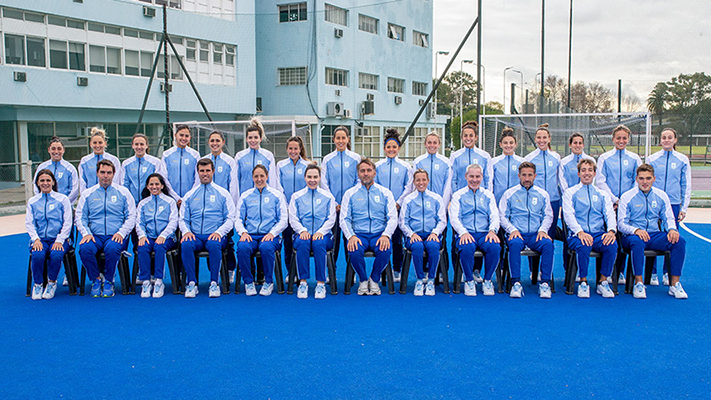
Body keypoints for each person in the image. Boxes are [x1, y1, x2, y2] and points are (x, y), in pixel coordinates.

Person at [618, 164, 687, 299]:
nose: (645, 182)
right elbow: (621, 224)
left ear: (654, 179)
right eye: (641, 178)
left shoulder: (661, 196)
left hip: (654, 235)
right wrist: (636, 230)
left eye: (648, 178)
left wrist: (672, 229)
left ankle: (675, 284)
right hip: (632, 236)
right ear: (636, 179)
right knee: (637, 243)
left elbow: (668, 217)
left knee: (679, 241)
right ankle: (638, 283)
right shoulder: (627, 197)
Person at [76, 160, 136, 298]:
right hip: (94, 235)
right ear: (97, 173)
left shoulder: (123, 192)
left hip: (116, 235)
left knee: (112, 249)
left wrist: (121, 233)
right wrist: (86, 233)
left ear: (114, 174)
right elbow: (80, 216)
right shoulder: (87, 194)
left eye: (109, 173)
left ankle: (109, 281)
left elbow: (131, 216)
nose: (105, 176)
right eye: (102, 172)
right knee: (85, 249)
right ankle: (96, 279)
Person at [179, 159, 236, 298]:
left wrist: (219, 232)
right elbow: (182, 219)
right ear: (198, 172)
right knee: (185, 244)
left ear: (213, 171)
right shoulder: (190, 195)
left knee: (214, 244)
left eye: (208, 171)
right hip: (196, 236)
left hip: (215, 235)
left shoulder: (223, 194)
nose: (205, 174)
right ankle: (192, 283)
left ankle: (214, 283)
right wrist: (186, 232)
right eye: (202, 171)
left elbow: (230, 218)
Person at [340, 159, 398, 296]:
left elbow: (392, 218)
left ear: (374, 173)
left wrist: (386, 235)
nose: (366, 174)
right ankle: (363, 279)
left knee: (385, 249)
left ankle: (374, 279)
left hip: (379, 233)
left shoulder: (385, 193)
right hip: (359, 234)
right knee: (353, 250)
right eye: (362, 171)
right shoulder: (350, 194)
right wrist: (351, 236)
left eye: (368, 170)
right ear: (358, 174)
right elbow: (344, 218)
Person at [561, 159, 617, 298]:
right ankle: (583, 282)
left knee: (611, 244)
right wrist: (580, 232)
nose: (587, 173)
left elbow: (609, 214)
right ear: (579, 174)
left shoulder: (603, 194)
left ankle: (603, 282)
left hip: (598, 233)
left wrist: (611, 231)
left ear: (594, 173)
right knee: (584, 244)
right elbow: (568, 215)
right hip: (576, 235)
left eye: (590, 170)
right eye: (584, 170)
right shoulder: (570, 193)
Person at [499, 162, 554, 299]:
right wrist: (512, 230)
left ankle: (545, 283)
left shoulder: (543, 194)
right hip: (518, 233)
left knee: (548, 245)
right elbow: (502, 216)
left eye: (530, 175)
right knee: (514, 244)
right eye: (524, 175)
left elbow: (548, 215)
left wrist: (543, 230)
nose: (527, 178)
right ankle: (516, 283)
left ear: (535, 176)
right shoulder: (509, 194)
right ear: (519, 176)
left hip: (536, 234)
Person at [595, 124, 642, 284]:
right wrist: (615, 199)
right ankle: (606, 273)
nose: (621, 141)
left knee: (625, 238)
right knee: (609, 237)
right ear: (613, 139)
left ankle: (621, 272)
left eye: (624, 138)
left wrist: (626, 201)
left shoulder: (635, 158)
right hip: (611, 205)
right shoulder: (604, 158)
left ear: (628, 139)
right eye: (618, 138)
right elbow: (601, 181)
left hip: (628, 206)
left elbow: (638, 180)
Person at [647, 127, 691, 286]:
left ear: (675, 140)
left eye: (669, 137)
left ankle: (667, 272)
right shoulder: (652, 159)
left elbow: (686, 184)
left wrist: (683, 207)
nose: (666, 140)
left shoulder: (682, 159)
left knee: (672, 237)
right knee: (651, 235)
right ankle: (651, 273)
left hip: (673, 204)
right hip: (654, 203)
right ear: (660, 140)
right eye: (664, 137)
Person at [236, 165, 288, 296]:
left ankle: (268, 282)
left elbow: (283, 219)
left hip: (270, 235)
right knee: (242, 247)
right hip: (251, 235)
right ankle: (248, 282)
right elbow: (238, 218)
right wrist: (243, 232)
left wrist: (272, 233)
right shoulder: (245, 196)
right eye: (256, 176)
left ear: (267, 176)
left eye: (262, 176)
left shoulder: (277, 195)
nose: (259, 179)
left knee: (266, 248)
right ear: (252, 178)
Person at [449, 164, 501, 296]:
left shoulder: (488, 195)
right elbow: (454, 217)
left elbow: (494, 215)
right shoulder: (458, 195)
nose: (474, 179)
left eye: (477, 176)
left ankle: (488, 280)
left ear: (482, 177)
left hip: (484, 233)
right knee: (466, 246)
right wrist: (463, 232)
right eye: (471, 176)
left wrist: (492, 231)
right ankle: (469, 280)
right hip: (466, 233)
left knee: (495, 246)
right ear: (466, 177)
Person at [288, 164, 337, 299]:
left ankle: (320, 283)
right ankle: (303, 282)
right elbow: (293, 218)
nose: (312, 180)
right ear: (305, 178)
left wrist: (321, 232)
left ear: (320, 178)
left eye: (315, 177)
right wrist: (302, 230)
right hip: (302, 234)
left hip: (323, 235)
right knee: (303, 242)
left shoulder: (328, 197)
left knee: (319, 243)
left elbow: (331, 218)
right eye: (309, 177)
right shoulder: (296, 197)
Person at [26, 170, 73, 300]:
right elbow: (29, 223)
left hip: (58, 239)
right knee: (37, 254)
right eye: (42, 181)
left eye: (48, 180)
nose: (45, 183)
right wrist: (35, 239)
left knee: (56, 254)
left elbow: (68, 222)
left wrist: (59, 240)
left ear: (53, 182)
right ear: (37, 183)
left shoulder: (62, 199)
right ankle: (38, 284)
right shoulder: (32, 201)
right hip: (40, 239)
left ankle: (52, 283)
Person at [399, 169, 447, 296]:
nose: (421, 182)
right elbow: (403, 222)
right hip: (414, 235)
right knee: (417, 247)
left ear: (428, 181)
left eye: (423, 180)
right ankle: (420, 280)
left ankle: (431, 280)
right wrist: (411, 234)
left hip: (431, 234)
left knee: (432, 246)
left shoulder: (436, 198)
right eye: (418, 180)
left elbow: (442, 220)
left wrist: (435, 233)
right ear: (414, 182)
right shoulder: (408, 199)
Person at [200, 130, 239, 283]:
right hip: (208, 210)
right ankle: (214, 271)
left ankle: (230, 269)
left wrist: (232, 208)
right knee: (211, 239)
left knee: (228, 242)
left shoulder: (229, 161)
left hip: (224, 208)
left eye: (217, 140)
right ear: (209, 143)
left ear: (223, 142)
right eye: (212, 141)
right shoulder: (204, 160)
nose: (215, 143)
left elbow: (233, 184)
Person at [375, 129, 413, 283]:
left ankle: (397, 269)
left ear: (399, 149)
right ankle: (383, 269)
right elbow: (375, 186)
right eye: (388, 147)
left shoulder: (405, 167)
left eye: (394, 147)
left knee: (397, 240)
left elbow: (408, 187)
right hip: (381, 210)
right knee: (381, 239)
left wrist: (398, 203)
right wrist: (384, 205)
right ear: (384, 149)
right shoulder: (377, 166)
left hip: (398, 209)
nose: (391, 150)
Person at [122, 133, 172, 249]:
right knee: (138, 240)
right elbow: (124, 185)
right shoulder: (126, 164)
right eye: (136, 144)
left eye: (141, 144)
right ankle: (140, 262)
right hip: (133, 207)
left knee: (154, 240)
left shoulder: (155, 162)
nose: (139, 147)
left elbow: (158, 183)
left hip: (150, 205)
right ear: (132, 146)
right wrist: (130, 205)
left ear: (146, 146)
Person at [321, 126, 361, 263]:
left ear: (348, 139)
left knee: (350, 239)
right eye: (338, 138)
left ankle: (353, 272)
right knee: (334, 241)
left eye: (343, 138)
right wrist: (335, 202)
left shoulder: (356, 158)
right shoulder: (327, 159)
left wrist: (347, 203)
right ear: (333, 140)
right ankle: (331, 270)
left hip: (351, 207)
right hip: (334, 207)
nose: (340, 141)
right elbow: (324, 182)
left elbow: (358, 180)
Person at [135, 173, 178, 298]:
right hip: (149, 237)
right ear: (147, 187)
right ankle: (146, 281)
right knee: (142, 247)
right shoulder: (143, 204)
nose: (154, 187)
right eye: (151, 184)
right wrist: (142, 236)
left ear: (162, 186)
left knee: (160, 247)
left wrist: (164, 235)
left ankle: (159, 281)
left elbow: (173, 222)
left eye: (157, 184)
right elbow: (139, 223)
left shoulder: (170, 202)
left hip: (167, 238)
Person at [277, 136, 312, 283]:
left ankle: (303, 272)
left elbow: (311, 185)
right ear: (286, 149)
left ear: (300, 149)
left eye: (295, 148)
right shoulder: (280, 165)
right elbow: (278, 186)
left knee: (303, 241)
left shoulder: (307, 165)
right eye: (290, 148)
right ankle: (291, 271)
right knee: (288, 242)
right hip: (286, 210)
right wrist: (285, 205)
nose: (293, 151)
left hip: (303, 211)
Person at [524, 123, 561, 242]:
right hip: (536, 201)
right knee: (534, 234)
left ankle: (547, 261)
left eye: (544, 137)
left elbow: (559, 179)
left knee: (550, 235)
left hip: (553, 200)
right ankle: (533, 261)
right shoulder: (529, 158)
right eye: (539, 137)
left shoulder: (556, 157)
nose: (541, 140)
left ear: (549, 139)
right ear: (535, 139)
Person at [234, 117, 280, 196]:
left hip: (264, 198)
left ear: (260, 138)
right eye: (250, 138)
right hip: (246, 199)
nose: (253, 140)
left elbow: (272, 180)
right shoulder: (239, 156)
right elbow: (236, 181)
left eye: (256, 137)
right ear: (246, 139)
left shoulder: (268, 156)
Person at [33, 136, 79, 204]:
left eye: (59, 149)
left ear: (63, 150)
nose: (56, 151)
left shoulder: (70, 168)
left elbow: (74, 190)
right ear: (49, 150)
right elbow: (36, 185)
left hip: (64, 207)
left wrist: (64, 204)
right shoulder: (42, 167)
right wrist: (42, 201)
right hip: (45, 205)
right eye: (53, 149)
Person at [162, 124, 200, 202]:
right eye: (181, 135)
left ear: (190, 138)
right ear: (175, 135)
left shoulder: (195, 155)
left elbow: (198, 178)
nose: (183, 138)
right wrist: (176, 198)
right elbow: (164, 178)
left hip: (191, 198)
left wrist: (187, 197)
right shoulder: (166, 154)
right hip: (171, 199)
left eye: (186, 136)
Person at [78, 127, 123, 193]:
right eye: (95, 143)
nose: (97, 145)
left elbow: (116, 181)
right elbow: (82, 183)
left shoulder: (114, 160)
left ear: (105, 143)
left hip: (109, 197)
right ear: (90, 144)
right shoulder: (84, 161)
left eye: (100, 142)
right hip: (91, 198)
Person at [413, 131, 452, 206]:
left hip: (439, 204)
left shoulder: (446, 163)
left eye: (435, 143)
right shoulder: (418, 162)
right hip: (421, 204)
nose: (432, 145)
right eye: (429, 142)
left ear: (439, 144)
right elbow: (414, 185)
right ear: (425, 144)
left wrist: (443, 206)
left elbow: (447, 186)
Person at [450, 120, 491, 192]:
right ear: (462, 138)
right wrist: (456, 196)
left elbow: (488, 179)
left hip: (480, 198)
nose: (468, 138)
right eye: (465, 135)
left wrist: (487, 195)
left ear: (476, 137)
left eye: (471, 135)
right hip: (462, 198)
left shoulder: (485, 156)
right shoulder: (455, 156)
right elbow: (453, 179)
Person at [487, 128, 525, 203]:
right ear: (500, 144)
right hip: (498, 200)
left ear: (515, 144)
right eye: (505, 143)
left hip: (517, 200)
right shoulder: (493, 162)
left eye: (511, 143)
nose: (508, 145)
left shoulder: (521, 162)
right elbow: (490, 182)